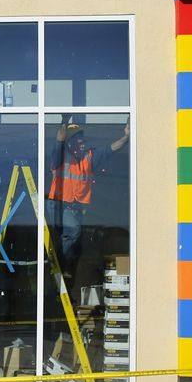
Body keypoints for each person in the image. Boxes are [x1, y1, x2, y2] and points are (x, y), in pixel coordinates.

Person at [45, 115, 129, 279]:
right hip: (58, 205)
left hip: (75, 208)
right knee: (74, 230)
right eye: (78, 139)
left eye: (83, 139)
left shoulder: (89, 158)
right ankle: (61, 266)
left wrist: (127, 136)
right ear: (70, 143)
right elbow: (59, 140)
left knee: (76, 241)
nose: (83, 142)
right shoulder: (61, 158)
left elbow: (112, 148)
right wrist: (64, 122)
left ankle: (66, 270)